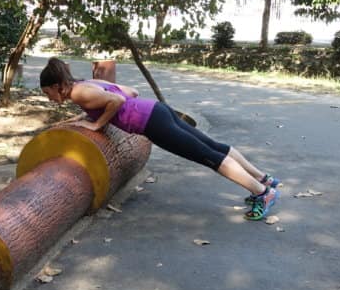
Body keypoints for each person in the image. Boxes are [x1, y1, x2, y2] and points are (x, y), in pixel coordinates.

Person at [39, 57, 281, 220]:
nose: (49, 98)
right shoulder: (87, 84)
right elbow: (129, 93)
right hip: (156, 110)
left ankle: (262, 193)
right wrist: (87, 116)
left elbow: (117, 102)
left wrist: (96, 124)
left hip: (152, 123)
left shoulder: (79, 93)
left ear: (56, 85)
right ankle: (264, 179)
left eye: (47, 92)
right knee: (213, 146)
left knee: (208, 157)